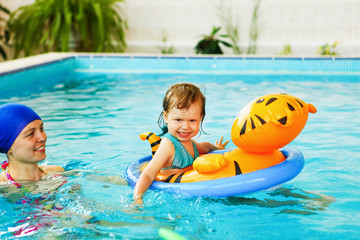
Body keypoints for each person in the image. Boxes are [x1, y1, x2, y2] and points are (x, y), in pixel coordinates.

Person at [133, 83, 229, 204]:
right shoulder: (168, 145)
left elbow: (204, 147)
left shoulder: (190, 142)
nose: (185, 127)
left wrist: (216, 148)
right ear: (166, 117)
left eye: (192, 120)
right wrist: (138, 197)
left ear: (201, 117)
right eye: (178, 120)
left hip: (193, 191)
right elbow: (148, 174)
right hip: (173, 196)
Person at [0, 103, 64, 189]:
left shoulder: (57, 172)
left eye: (41, 129)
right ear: (8, 147)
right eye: (30, 134)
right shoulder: (3, 186)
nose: (42, 138)